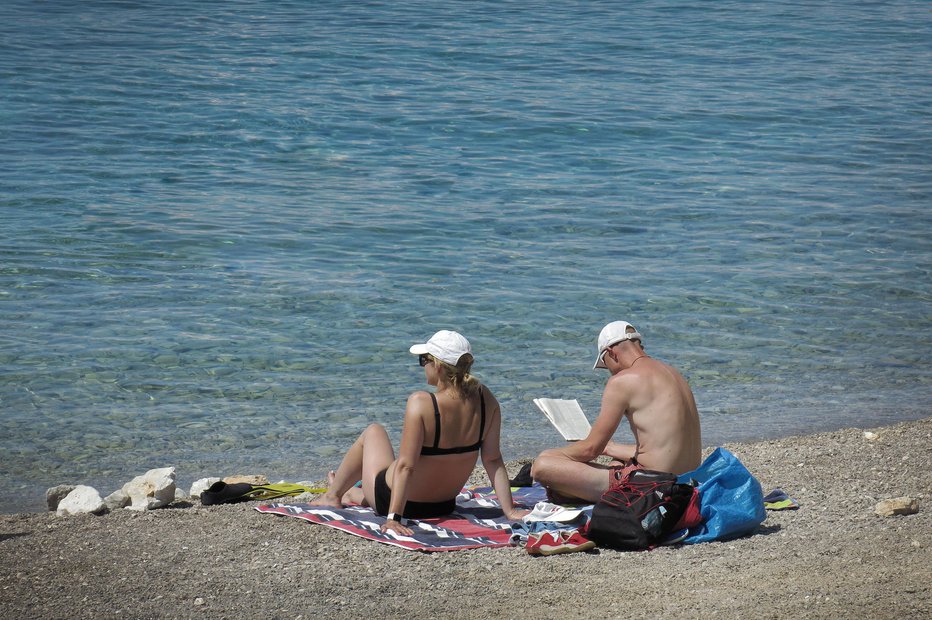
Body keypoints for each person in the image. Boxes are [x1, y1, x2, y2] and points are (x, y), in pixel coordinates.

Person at [310, 330, 527, 535]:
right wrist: (509, 511)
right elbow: (493, 459)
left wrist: (394, 518)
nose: (423, 366)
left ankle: (333, 495)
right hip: (443, 506)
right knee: (376, 479)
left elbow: (406, 466)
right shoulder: (485, 399)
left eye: (424, 360)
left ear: (439, 367)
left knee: (374, 432)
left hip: (398, 503)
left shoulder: (422, 403)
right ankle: (348, 492)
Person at [531, 320, 702, 503]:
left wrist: (549, 455)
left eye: (606, 365)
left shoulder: (622, 381)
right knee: (615, 459)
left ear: (611, 353)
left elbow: (590, 450)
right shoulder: (673, 373)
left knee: (542, 467)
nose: (610, 373)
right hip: (688, 479)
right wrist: (609, 448)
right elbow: (663, 446)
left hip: (654, 487)